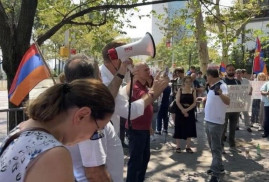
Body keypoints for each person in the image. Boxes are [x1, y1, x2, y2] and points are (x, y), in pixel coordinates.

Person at [0, 79, 115, 182]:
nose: (92, 137)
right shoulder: (54, 154)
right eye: (96, 131)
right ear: (82, 115)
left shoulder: (22, 128)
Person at [126, 62, 169, 182]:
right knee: (136, 161)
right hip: (136, 129)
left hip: (143, 129)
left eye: (148, 69)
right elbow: (143, 101)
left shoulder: (143, 86)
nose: (148, 71)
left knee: (144, 159)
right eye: (145, 70)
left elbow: (150, 101)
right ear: (137, 72)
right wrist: (157, 87)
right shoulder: (134, 86)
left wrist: (149, 125)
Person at [204, 69, 230, 182]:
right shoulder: (212, 85)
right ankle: (219, 167)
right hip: (208, 120)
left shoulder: (222, 86)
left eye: (207, 76)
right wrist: (204, 99)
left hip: (216, 122)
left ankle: (215, 174)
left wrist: (220, 94)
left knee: (216, 148)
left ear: (210, 75)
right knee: (213, 147)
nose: (206, 78)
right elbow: (213, 99)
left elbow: (228, 101)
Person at [173, 76, 197, 153]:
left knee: (190, 127)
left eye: (190, 82)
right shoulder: (180, 90)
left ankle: (188, 146)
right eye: (187, 82)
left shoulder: (193, 90)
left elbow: (194, 102)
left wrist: (187, 110)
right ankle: (178, 146)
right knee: (179, 127)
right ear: (184, 82)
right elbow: (177, 101)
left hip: (190, 111)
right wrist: (183, 110)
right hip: (180, 110)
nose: (188, 83)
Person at [222, 64, 241, 153]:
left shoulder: (238, 82)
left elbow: (241, 94)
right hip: (225, 108)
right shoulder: (222, 82)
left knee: (233, 128)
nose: (231, 72)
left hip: (235, 108)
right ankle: (221, 146)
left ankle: (232, 144)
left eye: (233, 70)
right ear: (226, 71)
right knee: (223, 128)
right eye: (229, 70)